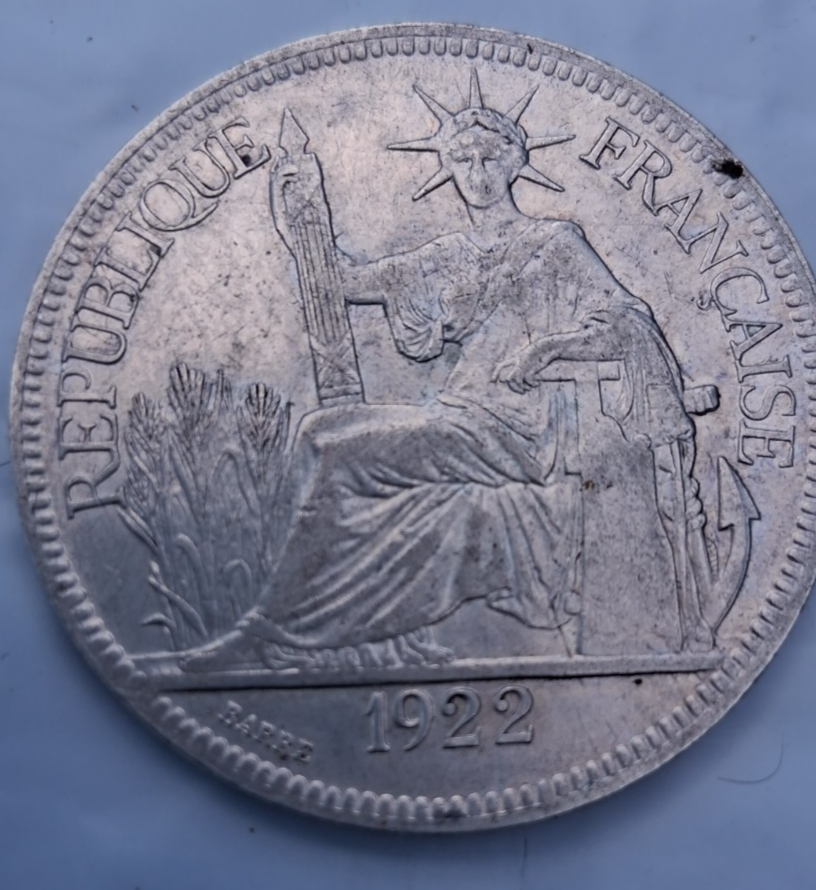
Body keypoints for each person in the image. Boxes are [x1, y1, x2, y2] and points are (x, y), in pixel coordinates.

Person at [183, 75, 714, 671]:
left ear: (517, 164)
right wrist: (298, 221)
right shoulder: (444, 256)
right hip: (458, 418)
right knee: (315, 431)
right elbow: (346, 281)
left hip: (518, 433)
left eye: (491, 157)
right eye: (463, 159)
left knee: (338, 453)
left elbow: (629, 319)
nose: (477, 172)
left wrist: (545, 349)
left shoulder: (555, 242)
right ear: (448, 168)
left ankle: (272, 634)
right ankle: (300, 622)